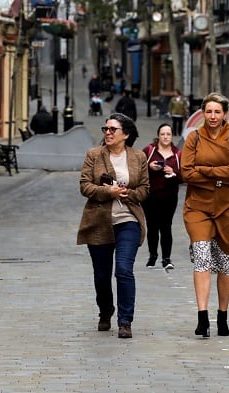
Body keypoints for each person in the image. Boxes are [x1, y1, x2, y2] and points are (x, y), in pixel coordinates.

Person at [77, 113, 149, 339]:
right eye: (105, 129)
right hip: (99, 221)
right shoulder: (94, 155)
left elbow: (145, 189)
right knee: (101, 275)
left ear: (125, 134)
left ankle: (125, 320)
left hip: (128, 219)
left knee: (124, 270)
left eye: (112, 129)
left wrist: (129, 194)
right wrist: (108, 191)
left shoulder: (138, 157)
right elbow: (85, 186)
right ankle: (105, 311)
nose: (107, 133)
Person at [180, 92, 229, 338]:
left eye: (217, 112)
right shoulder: (194, 138)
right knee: (202, 257)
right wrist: (219, 174)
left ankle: (223, 315)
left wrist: (204, 171)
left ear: (225, 113)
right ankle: (202, 316)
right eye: (208, 111)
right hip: (198, 206)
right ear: (202, 113)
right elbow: (186, 172)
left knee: (228, 263)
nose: (213, 116)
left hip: (228, 206)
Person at [141, 123, 181, 270]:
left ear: (172, 136)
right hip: (150, 196)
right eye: (163, 134)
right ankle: (152, 256)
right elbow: (137, 169)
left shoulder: (178, 154)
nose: (165, 137)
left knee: (166, 227)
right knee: (152, 227)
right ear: (158, 136)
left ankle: (166, 258)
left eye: (168, 134)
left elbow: (184, 176)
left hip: (169, 197)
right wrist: (149, 167)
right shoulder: (149, 150)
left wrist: (173, 173)